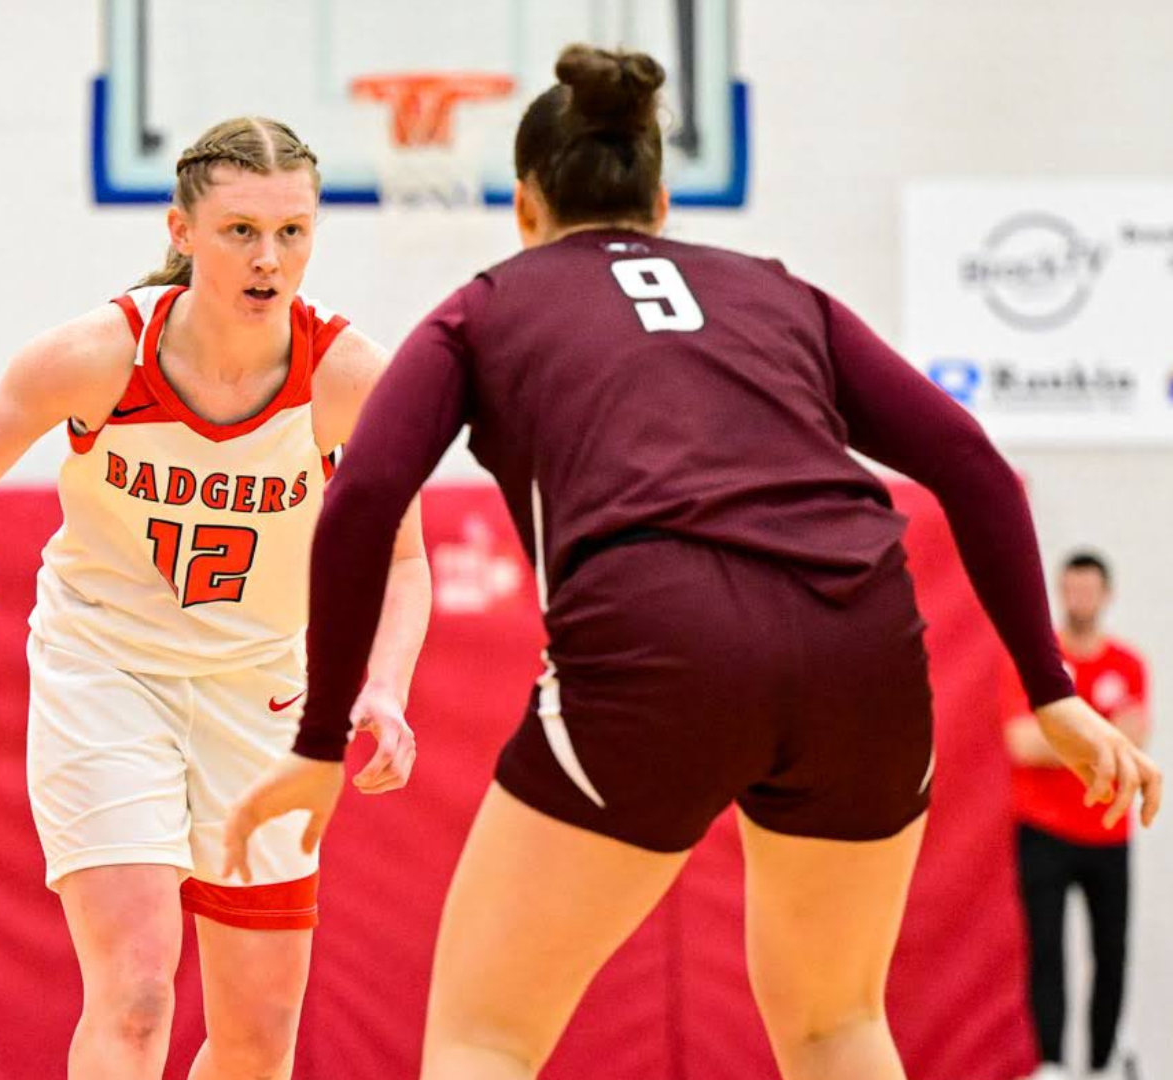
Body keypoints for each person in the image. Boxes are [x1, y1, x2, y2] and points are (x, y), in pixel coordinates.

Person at [223, 46, 1161, 1080]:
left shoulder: (486, 306)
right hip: (865, 641)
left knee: (484, 1037)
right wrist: (1051, 688)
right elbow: (972, 461)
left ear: (526, 206)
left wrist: (317, 742)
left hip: (660, 636)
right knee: (836, 1024)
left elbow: (362, 498)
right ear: (661, 199)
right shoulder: (777, 292)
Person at [0, 117, 432, 1080]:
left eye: (292, 232)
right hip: (107, 675)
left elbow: (404, 558)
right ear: (181, 230)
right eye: (240, 232)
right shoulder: (97, 355)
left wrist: (383, 686)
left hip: (259, 690)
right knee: (134, 997)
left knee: (259, 1039)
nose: (269, 259)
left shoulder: (347, 378)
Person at [1004, 550, 1151, 1080]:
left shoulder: (1127, 664)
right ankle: (1053, 1065)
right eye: (1070, 589)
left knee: (1110, 950)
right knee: (1047, 949)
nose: (1079, 599)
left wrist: (1065, 738)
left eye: (1089, 589)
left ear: (1105, 595)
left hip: (1107, 833)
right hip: (1042, 830)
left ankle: (1101, 1063)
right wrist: (1102, 735)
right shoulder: (1037, 663)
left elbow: (1136, 738)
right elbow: (1021, 742)